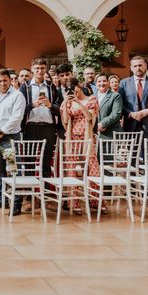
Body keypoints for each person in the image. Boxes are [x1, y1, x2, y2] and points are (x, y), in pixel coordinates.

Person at [0, 69, 25, 214]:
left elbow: (16, 118)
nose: (2, 83)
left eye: (5, 80)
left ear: (10, 80)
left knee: (15, 170)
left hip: (10, 137)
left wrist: (1, 131)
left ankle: (17, 203)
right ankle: (3, 199)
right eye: (0, 81)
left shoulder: (17, 95)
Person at [60, 77, 101, 213]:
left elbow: (90, 117)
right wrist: (66, 102)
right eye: (69, 90)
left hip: (87, 136)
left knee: (92, 166)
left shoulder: (91, 99)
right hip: (72, 137)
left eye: (74, 88)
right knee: (71, 168)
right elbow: (65, 121)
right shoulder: (68, 103)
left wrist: (78, 102)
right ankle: (74, 202)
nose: (73, 92)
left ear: (79, 86)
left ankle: (95, 200)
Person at [19, 57, 61, 179]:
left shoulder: (51, 86)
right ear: (32, 69)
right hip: (30, 127)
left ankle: (46, 191)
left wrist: (50, 105)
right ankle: (28, 191)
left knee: (46, 161)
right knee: (29, 161)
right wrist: (32, 105)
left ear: (46, 69)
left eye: (42, 68)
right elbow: (20, 109)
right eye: (37, 68)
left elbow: (59, 109)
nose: (40, 71)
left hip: (48, 127)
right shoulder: (25, 87)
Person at [119, 55, 148, 142]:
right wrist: (130, 113)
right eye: (135, 66)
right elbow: (120, 104)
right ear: (131, 68)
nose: (138, 68)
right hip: (130, 125)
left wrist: (147, 111)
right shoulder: (124, 83)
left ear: (145, 66)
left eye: (140, 65)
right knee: (132, 154)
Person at [95, 73, 123, 141]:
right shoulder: (92, 97)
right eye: (99, 81)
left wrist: (102, 124)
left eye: (104, 81)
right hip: (95, 135)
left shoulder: (115, 96)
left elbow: (116, 114)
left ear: (108, 83)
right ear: (96, 84)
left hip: (110, 134)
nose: (102, 83)